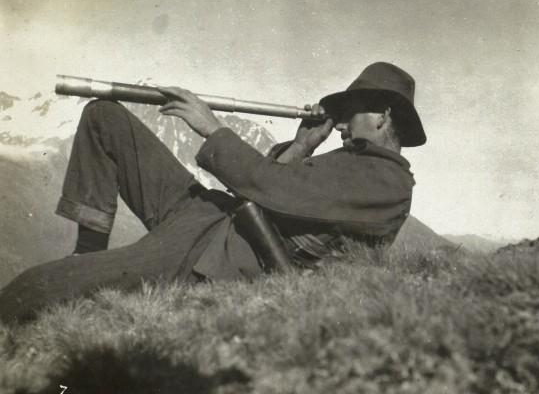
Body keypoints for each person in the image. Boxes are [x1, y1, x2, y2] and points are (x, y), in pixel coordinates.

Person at [0, 62, 426, 324]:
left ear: (383, 115)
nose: (342, 124)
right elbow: (276, 190)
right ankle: (88, 252)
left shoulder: (385, 182)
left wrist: (211, 127)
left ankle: (82, 276)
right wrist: (300, 146)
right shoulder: (354, 163)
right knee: (103, 117)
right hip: (209, 217)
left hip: (209, 253)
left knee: (36, 285)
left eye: (351, 112)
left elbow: (272, 188)